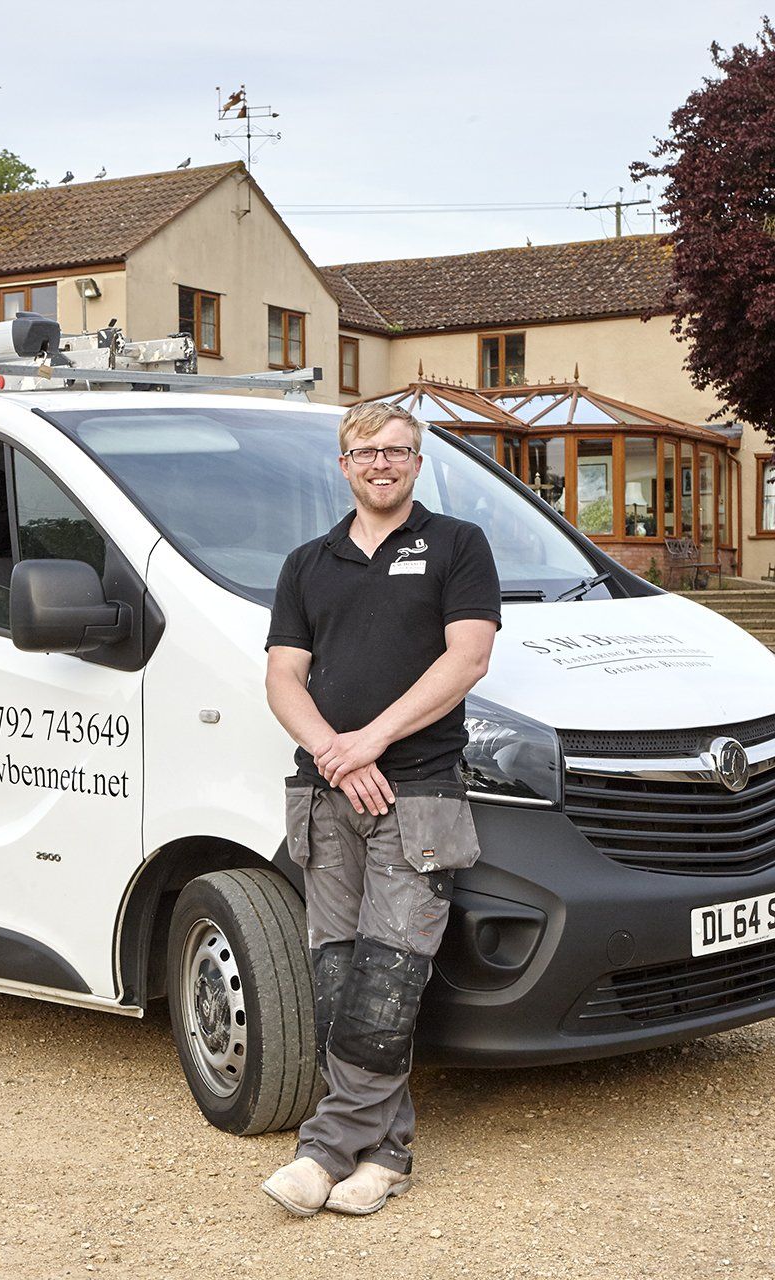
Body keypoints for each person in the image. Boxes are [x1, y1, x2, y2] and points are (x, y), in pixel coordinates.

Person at [260, 402, 500, 1216]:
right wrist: (336, 750)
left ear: (417, 461)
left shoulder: (458, 545)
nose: (382, 463)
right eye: (366, 452)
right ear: (344, 465)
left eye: (397, 450)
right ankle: (387, 1150)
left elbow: (466, 659)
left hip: (421, 793)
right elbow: (283, 678)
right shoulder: (307, 562)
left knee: (391, 975)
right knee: (340, 977)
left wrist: (370, 742)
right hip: (324, 798)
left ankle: (326, 1150)